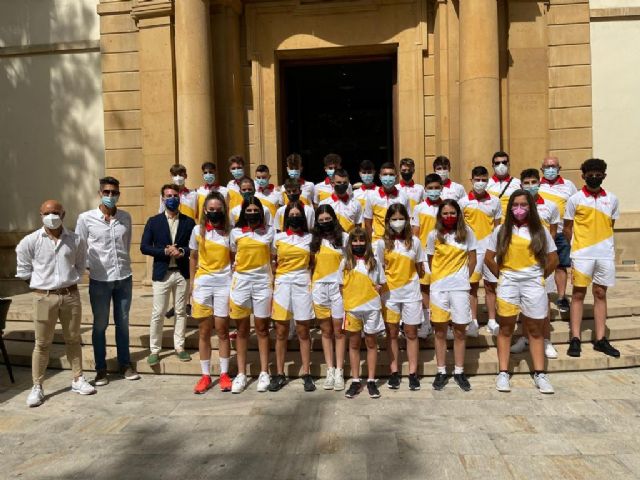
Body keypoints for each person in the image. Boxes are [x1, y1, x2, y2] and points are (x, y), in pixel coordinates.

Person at [16, 200, 95, 407]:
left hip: (70, 296)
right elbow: (23, 270)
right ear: (40, 214)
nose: (52, 216)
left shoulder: (75, 240)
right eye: (47, 213)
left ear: (63, 214)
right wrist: (42, 286)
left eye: (56, 212)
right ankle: (37, 386)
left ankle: (78, 378)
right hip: (43, 298)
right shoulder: (30, 241)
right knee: (42, 343)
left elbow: (80, 265)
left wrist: (70, 281)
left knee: (73, 339)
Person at [485, 190, 559, 394]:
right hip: (509, 281)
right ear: (510, 208)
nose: (519, 209)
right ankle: (503, 372)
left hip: (533, 282)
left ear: (531, 207)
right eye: (515, 205)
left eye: (524, 205)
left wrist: (540, 275)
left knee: (535, 329)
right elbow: (489, 258)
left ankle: (540, 373)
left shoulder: (540, 231)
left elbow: (554, 258)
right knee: (506, 327)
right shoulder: (501, 230)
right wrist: (501, 275)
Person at [76, 177, 140, 385]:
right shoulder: (86, 219)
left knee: (123, 323)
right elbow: (80, 247)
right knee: (100, 325)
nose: (110, 196)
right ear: (100, 193)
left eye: (114, 192)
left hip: (123, 277)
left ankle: (124, 364)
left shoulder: (125, 217)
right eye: (107, 192)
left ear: (119, 194)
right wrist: (89, 266)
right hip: (100, 280)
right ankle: (101, 369)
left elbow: (126, 242)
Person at [564, 158, 620, 358]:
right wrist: (577, 247)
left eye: (598, 174)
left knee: (600, 294)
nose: (594, 177)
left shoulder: (612, 199)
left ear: (604, 176)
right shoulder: (575, 199)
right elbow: (567, 227)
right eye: (590, 174)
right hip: (582, 256)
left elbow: (610, 224)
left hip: (604, 254)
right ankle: (575, 338)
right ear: (583, 176)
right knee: (578, 295)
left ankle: (600, 339)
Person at [141, 184, 195, 367]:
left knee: (180, 311)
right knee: (158, 312)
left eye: (174, 195)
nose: (172, 198)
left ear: (179, 198)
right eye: (168, 195)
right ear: (162, 199)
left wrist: (181, 251)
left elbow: (195, 247)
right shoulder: (154, 221)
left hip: (181, 273)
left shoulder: (189, 222)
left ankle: (179, 347)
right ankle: (154, 350)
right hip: (162, 273)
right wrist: (163, 251)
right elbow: (144, 246)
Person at [426, 200, 477, 391]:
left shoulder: (467, 233)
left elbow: (473, 258)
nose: (449, 217)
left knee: (460, 331)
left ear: (458, 214)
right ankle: (441, 371)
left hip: (460, 289)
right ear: (440, 215)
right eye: (445, 214)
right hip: (439, 288)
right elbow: (431, 260)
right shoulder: (433, 235)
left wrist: (463, 277)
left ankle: (459, 371)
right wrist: (441, 278)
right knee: (439, 331)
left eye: (452, 213)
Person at [510, 169, 561, 359]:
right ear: (521, 185)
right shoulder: (517, 206)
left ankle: (545, 339)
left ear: (539, 183)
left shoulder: (550, 206)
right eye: (527, 182)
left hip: (541, 261)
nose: (530, 185)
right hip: (522, 262)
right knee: (524, 302)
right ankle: (524, 337)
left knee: (544, 301)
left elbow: (553, 232)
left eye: (534, 181)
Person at [376, 204, 426, 391]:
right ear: (388, 221)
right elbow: (379, 267)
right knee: (392, 334)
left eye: (400, 218)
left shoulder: (415, 242)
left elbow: (420, 267)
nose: (398, 222)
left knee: (412, 333)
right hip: (390, 295)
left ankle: (413, 373)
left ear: (407, 220)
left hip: (411, 293)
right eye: (394, 219)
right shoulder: (381, 243)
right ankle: (394, 371)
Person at [229, 197, 275, 393]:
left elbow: (274, 256)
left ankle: (264, 372)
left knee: (262, 328)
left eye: (256, 210)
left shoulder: (269, 232)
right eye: (248, 211)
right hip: (241, 282)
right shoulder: (236, 232)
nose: (252, 213)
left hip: (262, 282)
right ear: (243, 213)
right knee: (242, 329)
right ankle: (241, 373)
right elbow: (232, 255)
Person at [189, 192, 234, 393]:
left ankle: (224, 374)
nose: (214, 212)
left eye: (218, 209)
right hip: (203, 283)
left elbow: (234, 259)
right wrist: (192, 284)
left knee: (223, 330)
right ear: (205, 211)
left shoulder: (230, 232)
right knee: (205, 331)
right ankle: (205, 376)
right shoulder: (197, 231)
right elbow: (193, 257)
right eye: (211, 209)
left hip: (224, 282)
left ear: (224, 210)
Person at [270, 201, 315, 392]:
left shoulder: (309, 238)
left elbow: (312, 263)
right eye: (292, 215)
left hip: (302, 284)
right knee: (281, 332)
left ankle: (306, 372)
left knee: (303, 331)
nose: (294, 218)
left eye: (298, 215)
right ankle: (279, 373)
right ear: (286, 217)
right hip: (282, 285)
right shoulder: (278, 237)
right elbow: (273, 261)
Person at [340, 227, 386, 399]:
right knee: (353, 344)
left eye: (361, 240)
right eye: (355, 240)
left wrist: (373, 291)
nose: (358, 243)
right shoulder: (345, 262)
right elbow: (340, 286)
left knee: (371, 343)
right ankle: (356, 380)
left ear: (367, 242)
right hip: (352, 310)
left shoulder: (374, 262)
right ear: (350, 243)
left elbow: (381, 283)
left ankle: (372, 380)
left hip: (372, 309)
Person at [458, 166, 502, 336]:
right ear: (471, 181)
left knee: (491, 286)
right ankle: (473, 320)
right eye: (477, 180)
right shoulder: (463, 202)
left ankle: (492, 320)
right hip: (472, 251)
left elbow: (498, 226)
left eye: (484, 180)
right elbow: (460, 227)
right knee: (472, 286)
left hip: (490, 250)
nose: (480, 183)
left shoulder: (495, 201)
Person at [310, 205, 349, 390]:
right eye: (321, 220)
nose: (325, 222)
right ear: (317, 222)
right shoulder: (313, 240)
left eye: (328, 219)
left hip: (338, 288)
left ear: (333, 218)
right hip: (319, 288)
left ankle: (340, 370)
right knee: (326, 331)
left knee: (339, 331)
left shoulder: (345, 238)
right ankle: (330, 370)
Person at [538, 156, 578, 313]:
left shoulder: (568, 185)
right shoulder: (536, 184)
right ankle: (541, 295)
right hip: (539, 233)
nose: (550, 169)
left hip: (560, 231)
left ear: (559, 168)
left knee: (560, 265)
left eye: (553, 166)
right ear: (542, 169)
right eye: (547, 166)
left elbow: (575, 206)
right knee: (539, 265)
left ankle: (561, 297)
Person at [411, 173, 444, 339]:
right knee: (425, 288)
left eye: (437, 188)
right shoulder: (419, 208)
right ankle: (425, 323)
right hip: (424, 255)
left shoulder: (448, 207)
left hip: (444, 255)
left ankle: (446, 323)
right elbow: (415, 233)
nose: (433, 191)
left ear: (442, 188)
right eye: (430, 188)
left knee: (442, 289)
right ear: (425, 189)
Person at [364, 162, 410, 241]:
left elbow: (408, 220)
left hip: (398, 241)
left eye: (391, 175)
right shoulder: (371, 196)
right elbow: (368, 223)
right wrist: (370, 243)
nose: (388, 177)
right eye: (385, 174)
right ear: (380, 176)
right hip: (377, 241)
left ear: (396, 177)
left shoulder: (403, 196)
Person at [318, 168, 363, 232]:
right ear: (332, 183)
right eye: (339, 182)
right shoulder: (323, 204)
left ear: (348, 184)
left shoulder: (356, 203)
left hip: (349, 240)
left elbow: (358, 227)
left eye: (345, 183)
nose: (342, 185)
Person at [487, 151, 521, 221]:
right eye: (497, 163)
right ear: (493, 165)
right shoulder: (486, 183)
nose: (501, 165)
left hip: (511, 224)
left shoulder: (518, 183)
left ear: (508, 164)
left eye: (504, 162)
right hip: (491, 225)